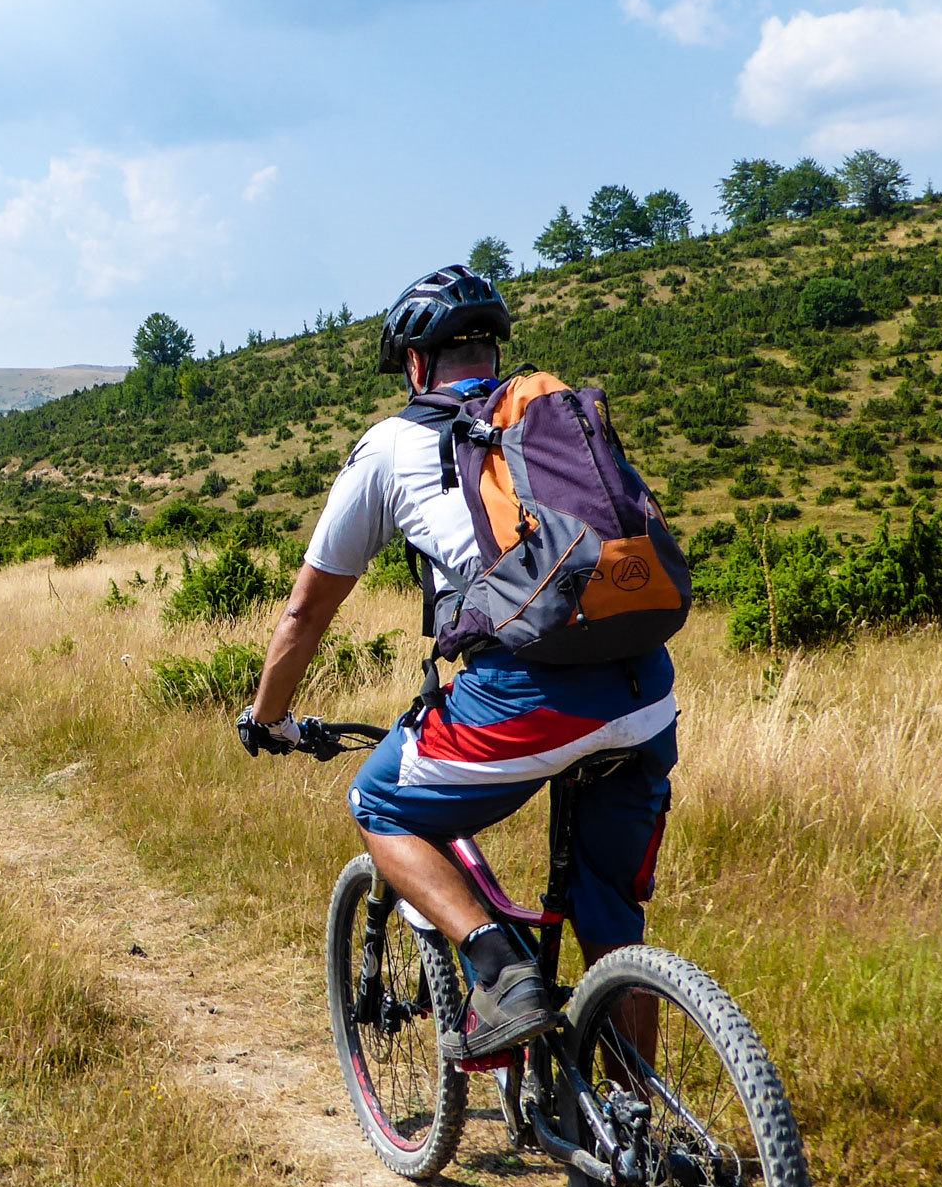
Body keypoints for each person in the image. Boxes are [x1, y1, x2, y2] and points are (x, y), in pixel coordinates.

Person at [237, 265, 677, 1061]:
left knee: (380, 805)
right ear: (491, 349)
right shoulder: (551, 416)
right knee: (611, 919)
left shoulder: (391, 446)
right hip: (644, 690)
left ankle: (500, 971)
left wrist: (267, 716)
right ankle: (639, 1134)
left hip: (522, 698)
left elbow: (307, 609)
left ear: (414, 363)